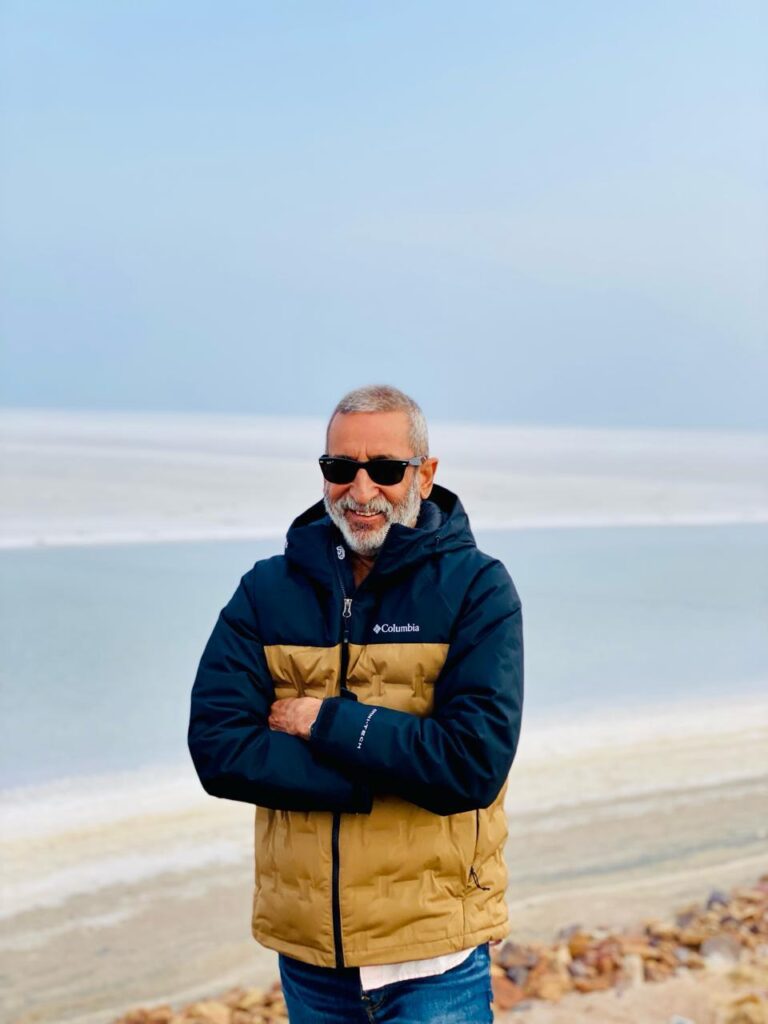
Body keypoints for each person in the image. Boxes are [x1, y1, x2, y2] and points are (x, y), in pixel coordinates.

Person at [188, 384, 524, 1024]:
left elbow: (472, 765)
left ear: (425, 473)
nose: (361, 489)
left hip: (435, 955)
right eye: (340, 467)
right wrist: (388, 768)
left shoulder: (478, 588)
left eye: (386, 469)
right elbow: (218, 749)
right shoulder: (265, 590)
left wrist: (322, 721)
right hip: (310, 957)